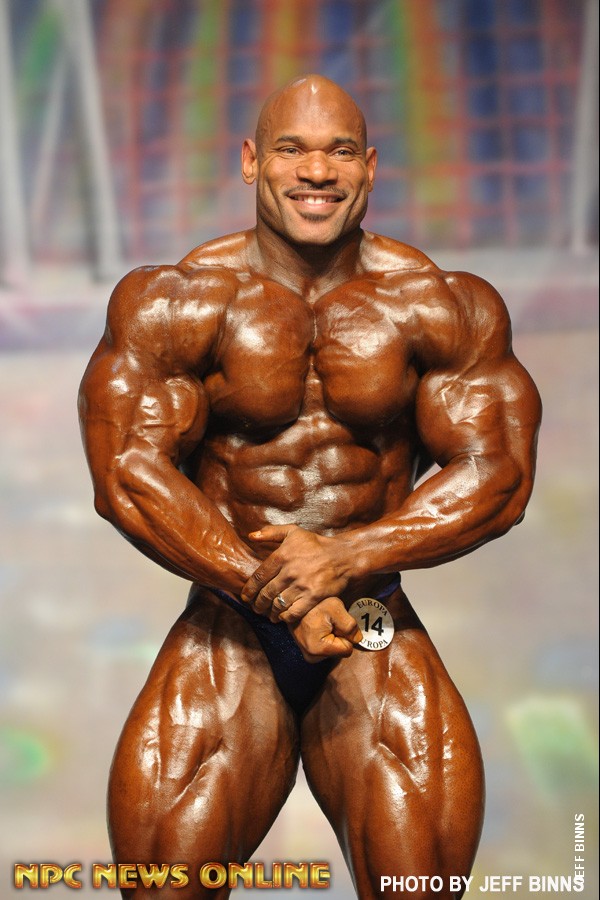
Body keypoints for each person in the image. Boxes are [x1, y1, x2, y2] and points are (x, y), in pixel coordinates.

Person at [78, 74, 541, 899]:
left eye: (339, 153)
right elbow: (127, 474)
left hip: (370, 618)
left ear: (370, 168)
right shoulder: (176, 300)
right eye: (292, 150)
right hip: (230, 622)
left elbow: (498, 475)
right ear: (251, 161)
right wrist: (277, 589)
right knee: (164, 885)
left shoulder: (439, 304)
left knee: (418, 887)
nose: (317, 171)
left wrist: (345, 556)